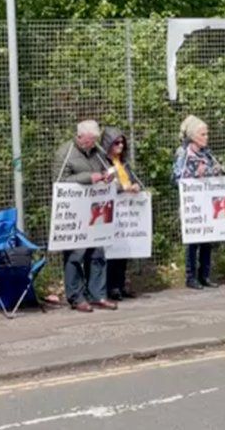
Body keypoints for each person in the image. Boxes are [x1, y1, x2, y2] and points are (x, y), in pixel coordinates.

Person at [52, 120, 118, 312]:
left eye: (95, 140)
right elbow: (59, 182)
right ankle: (76, 296)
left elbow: (105, 170)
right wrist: (89, 178)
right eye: (90, 140)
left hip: (95, 211)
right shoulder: (65, 153)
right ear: (80, 137)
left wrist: (107, 176)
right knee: (76, 254)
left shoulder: (97, 152)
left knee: (97, 252)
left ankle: (97, 294)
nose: (93, 143)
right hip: (75, 213)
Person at [173, 116, 223, 289]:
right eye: (203, 134)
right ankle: (191, 276)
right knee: (193, 242)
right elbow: (176, 178)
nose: (206, 137)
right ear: (193, 136)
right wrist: (196, 175)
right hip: (192, 204)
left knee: (207, 240)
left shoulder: (207, 153)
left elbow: (213, 171)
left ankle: (205, 275)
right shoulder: (183, 154)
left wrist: (214, 172)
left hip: (207, 202)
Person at [101, 126, 141, 301]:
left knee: (123, 251)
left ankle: (121, 284)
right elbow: (104, 185)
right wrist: (121, 188)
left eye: (122, 143)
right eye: (116, 143)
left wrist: (136, 186)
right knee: (111, 252)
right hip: (110, 213)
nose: (120, 146)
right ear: (108, 144)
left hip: (126, 213)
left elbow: (132, 180)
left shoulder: (124, 164)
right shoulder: (103, 164)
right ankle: (111, 287)